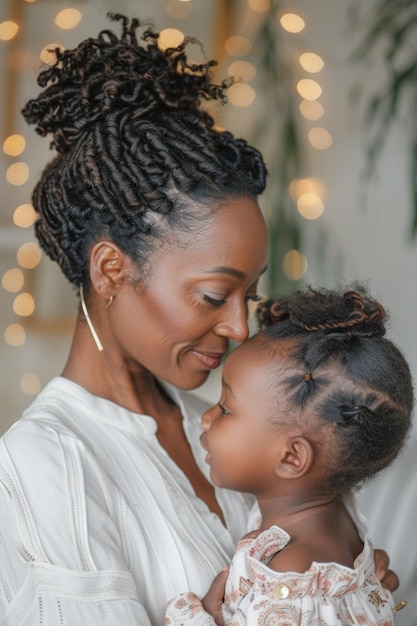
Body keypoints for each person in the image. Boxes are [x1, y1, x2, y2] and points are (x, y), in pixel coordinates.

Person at [0, 12, 397, 626]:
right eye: (214, 296)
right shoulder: (48, 463)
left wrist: (344, 591)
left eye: (251, 295)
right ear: (110, 269)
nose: (240, 328)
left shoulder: (223, 425)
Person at [165, 286, 413, 626]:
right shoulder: (341, 521)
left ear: (292, 457)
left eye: (225, 408)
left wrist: (196, 619)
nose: (206, 418)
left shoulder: (288, 585)